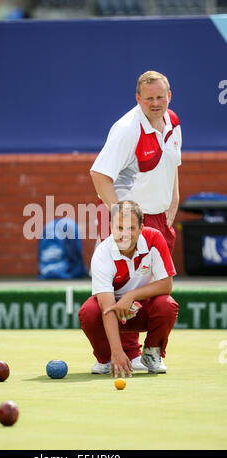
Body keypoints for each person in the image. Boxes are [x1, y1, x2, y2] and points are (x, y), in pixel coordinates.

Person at [90, 70, 181, 369]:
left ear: (169, 96)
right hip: (133, 220)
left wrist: (174, 201)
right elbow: (99, 174)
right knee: (122, 288)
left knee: (156, 289)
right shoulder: (127, 129)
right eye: (149, 98)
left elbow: (173, 165)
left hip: (160, 217)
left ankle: (152, 353)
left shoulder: (173, 122)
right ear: (138, 99)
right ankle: (127, 353)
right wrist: (120, 216)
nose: (155, 103)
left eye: (160, 97)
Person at [79, 200, 178, 377]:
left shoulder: (154, 238)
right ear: (110, 227)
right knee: (88, 311)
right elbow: (107, 308)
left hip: (141, 309)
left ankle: (151, 352)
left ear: (141, 227)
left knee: (167, 305)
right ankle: (106, 358)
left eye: (131, 228)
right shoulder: (102, 253)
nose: (124, 234)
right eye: (119, 228)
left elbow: (166, 284)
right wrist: (116, 351)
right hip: (114, 312)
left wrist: (131, 296)